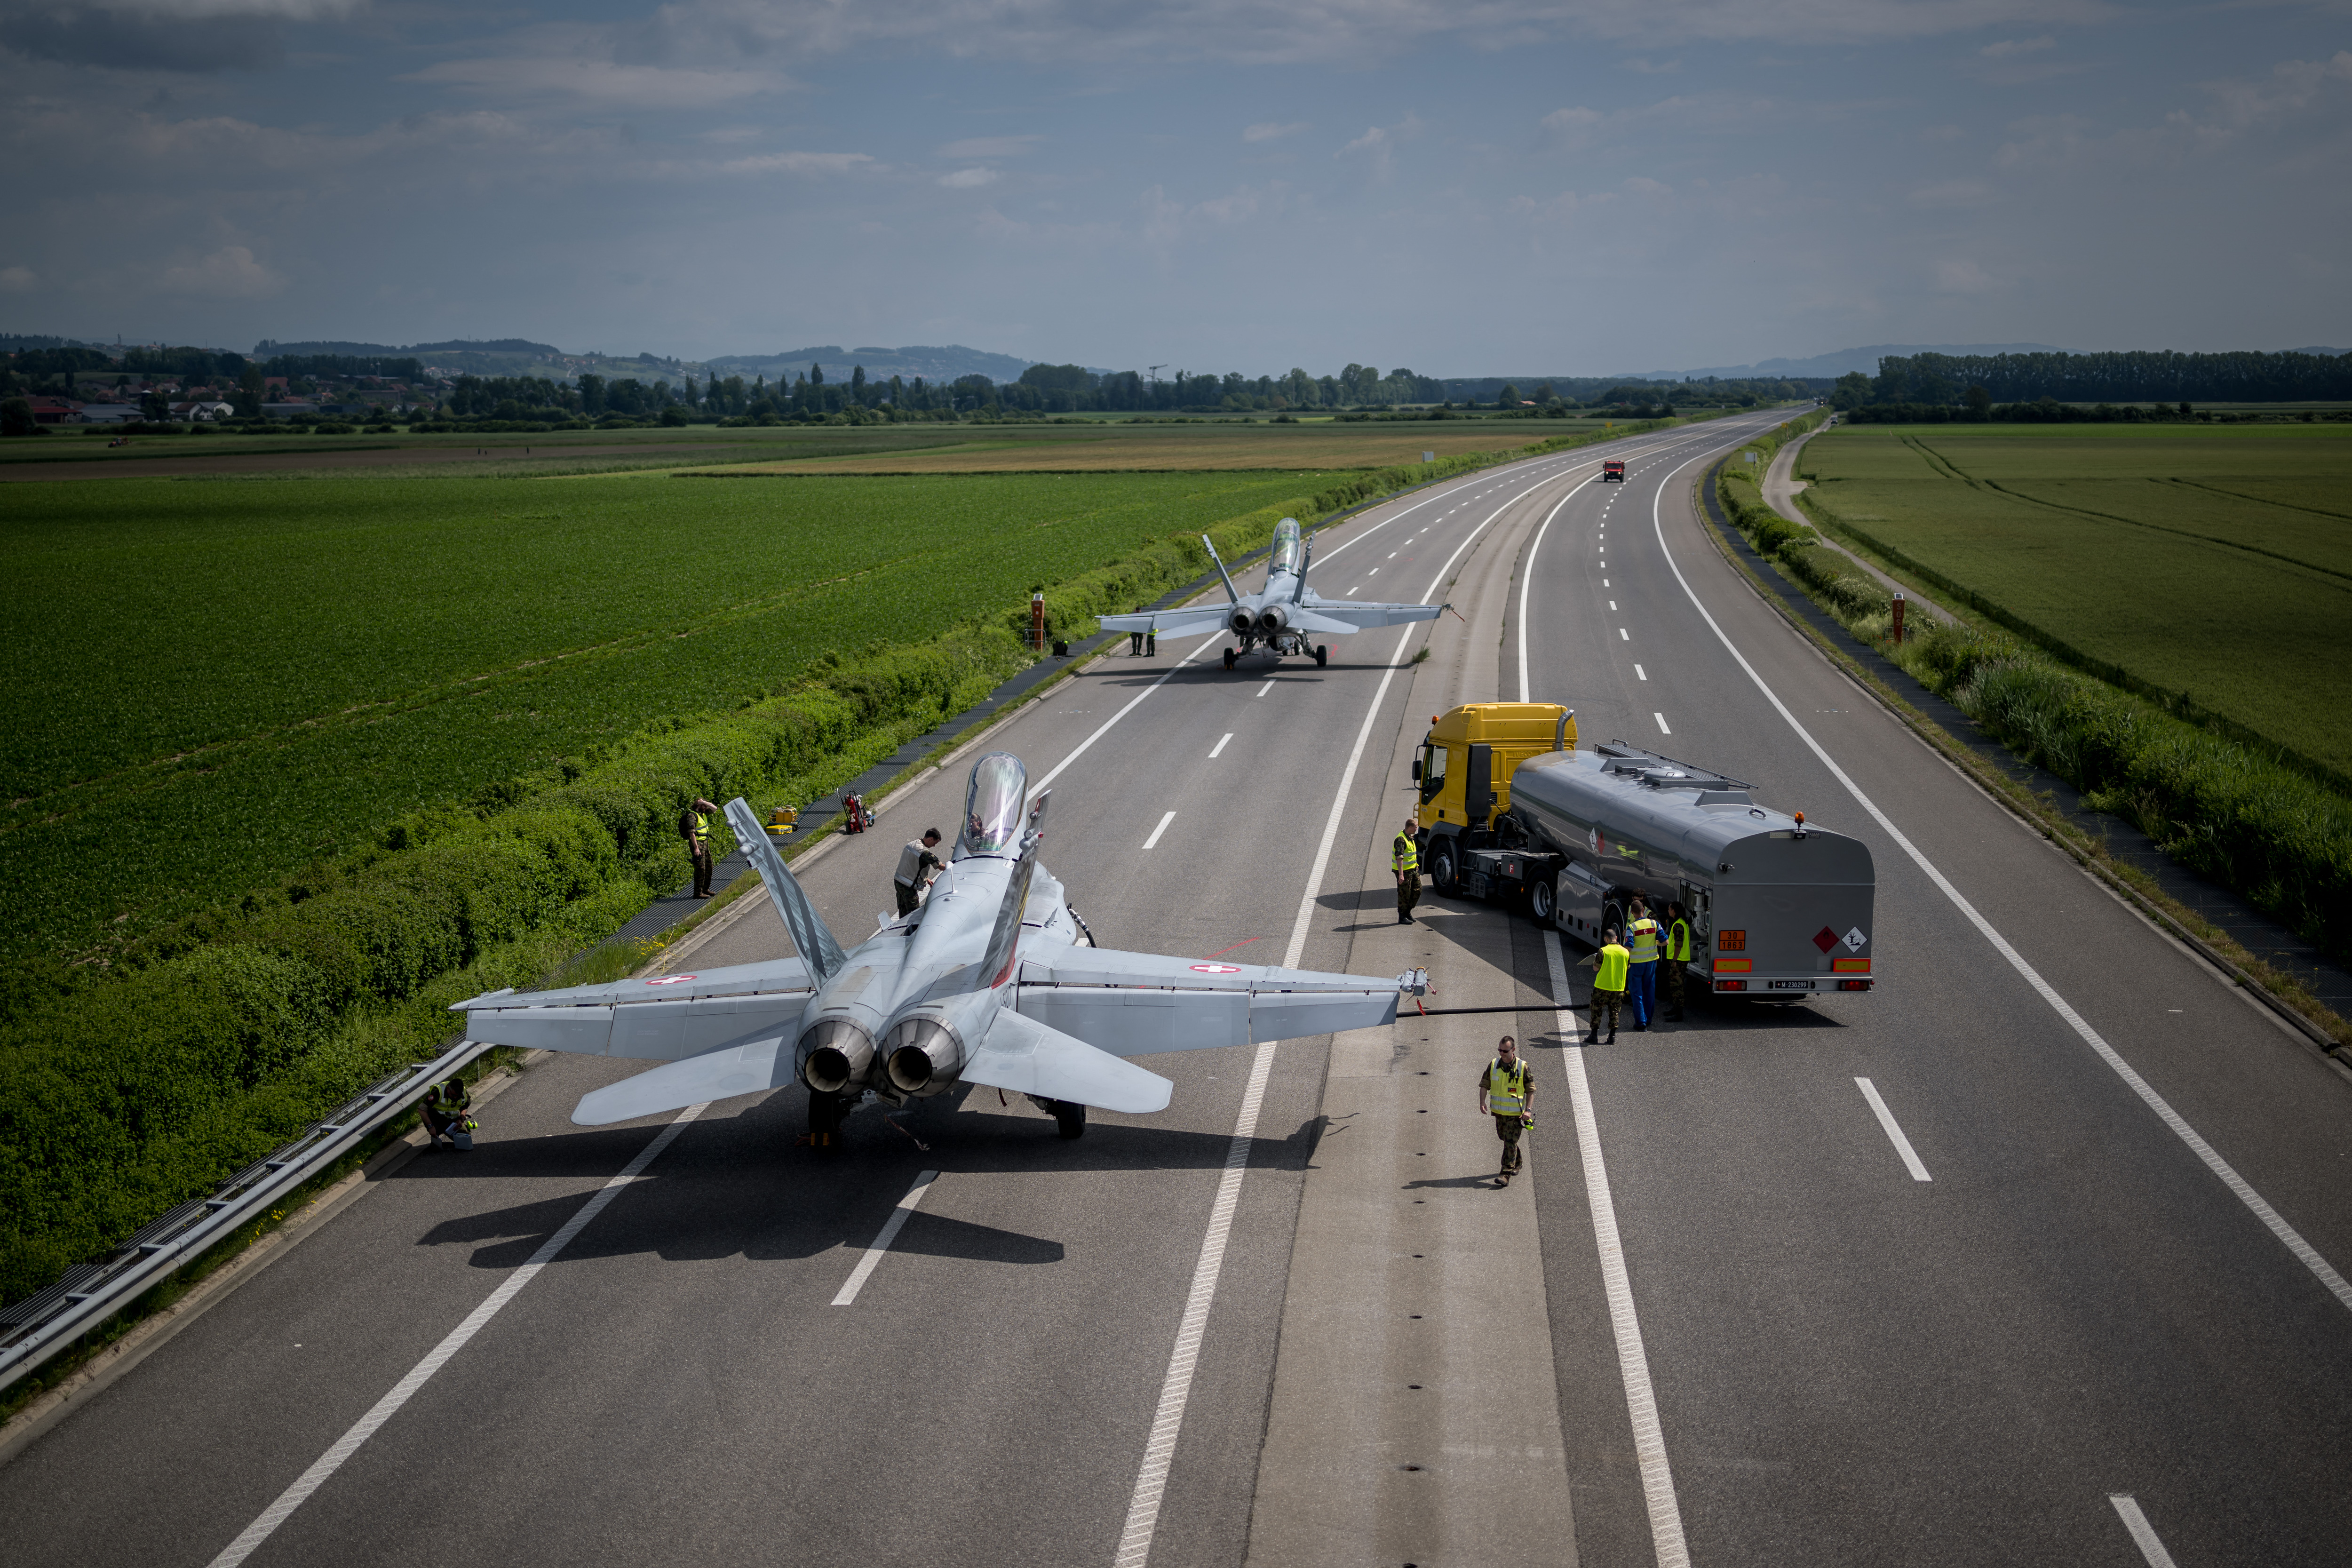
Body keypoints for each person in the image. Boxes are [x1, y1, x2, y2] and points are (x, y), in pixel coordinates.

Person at [1477, 1035, 1534, 1186]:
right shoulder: (1494, 1064)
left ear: (1513, 1049)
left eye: (1505, 1051)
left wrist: (1528, 1111)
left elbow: (1531, 1090)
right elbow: (1485, 1084)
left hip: (1516, 1114)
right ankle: (1518, 1162)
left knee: (1510, 1141)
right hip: (1499, 1112)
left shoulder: (1522, 1067)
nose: (1502, 1053)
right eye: (1500, 1050)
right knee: (1505, 1138)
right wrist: (1482, 1102)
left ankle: (1505, 1173)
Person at [1578, 927, 1631, 1043]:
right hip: (1618, 987)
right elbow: (1627, 968)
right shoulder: (1626, 952)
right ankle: (1612, 1037)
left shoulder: (1603, 951)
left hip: (1602, 987)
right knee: (1614, 1011)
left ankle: (1594, 1036)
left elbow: (1596, 968)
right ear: (1616, 938)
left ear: (1606, 939)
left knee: (1596, 1010)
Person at [1625, 896, 1660, 1031]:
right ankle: (1649, 1019)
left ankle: (1641, 1023)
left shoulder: (1632, 928)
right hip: (1651, 964)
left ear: (1633, 913)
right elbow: (1665, 942)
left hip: (1636, 964)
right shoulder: (1654, 924)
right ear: (1644, 910)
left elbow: (1628, 947)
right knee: (1649, 992)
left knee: (1637, 994)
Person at [895, 828, 946, 915]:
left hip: (898, 882)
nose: (934, 846)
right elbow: (940, 867)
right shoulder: (924, 852)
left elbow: (911, 865)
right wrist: (954, 866)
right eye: (935, 843)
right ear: (931, 839)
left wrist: (927, 879)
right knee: (913, 914)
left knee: (903, 911)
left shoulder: (911, 844)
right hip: (908, 887)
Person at [421, 1075, 474, 1149]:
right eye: (453, 1095)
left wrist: (461, 1119)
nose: (455, 1098)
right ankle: (436, 1138)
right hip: (437, 1119)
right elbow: (422, 1109)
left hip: (453, 1120)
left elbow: (465, 1107)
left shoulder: (464, 1092)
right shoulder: (438, 1091)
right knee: (436, 1147)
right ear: (448, 1088)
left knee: (465, 1136)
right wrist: (430, 1126)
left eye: (457, 1096)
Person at [680, 796, 718, 898]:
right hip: (698, 845)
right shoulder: (692, 816)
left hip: (705, 844)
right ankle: (698, 893)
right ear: (699, 806)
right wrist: (696, 848)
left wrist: (704, 802)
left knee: (709, 866)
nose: (706, 808)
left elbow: (715, 809)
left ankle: (706, 890)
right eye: (704, 806)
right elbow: (692, 833)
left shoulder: (703, 814)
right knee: (701, 868)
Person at [1663, 901, 1693, 1022]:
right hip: (1681, 959)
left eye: (1669, 909)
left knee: (1677, 987)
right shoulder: (1682, 923)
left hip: (1679, 960)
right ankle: (1675, 1009)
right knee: (1676, 985)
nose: (1668, 911)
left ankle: (1679, 1014)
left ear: (1673, 911)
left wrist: (1674, 960)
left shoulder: (1678, 926)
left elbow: (1678, 945)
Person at [1392, 817, 1421, 924]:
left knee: (1418, 890)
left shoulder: (1410, 837)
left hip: (1413, 869)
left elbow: (1412, 854)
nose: (1416, 829)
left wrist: (1416, 865)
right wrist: (1401, 874)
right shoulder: (1401, 839)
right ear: (1410, 827)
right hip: (1404, 871)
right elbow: (1399, 857)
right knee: (1404, 893)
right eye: (1416, 827)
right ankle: (1402, 916)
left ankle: (1408, 912)